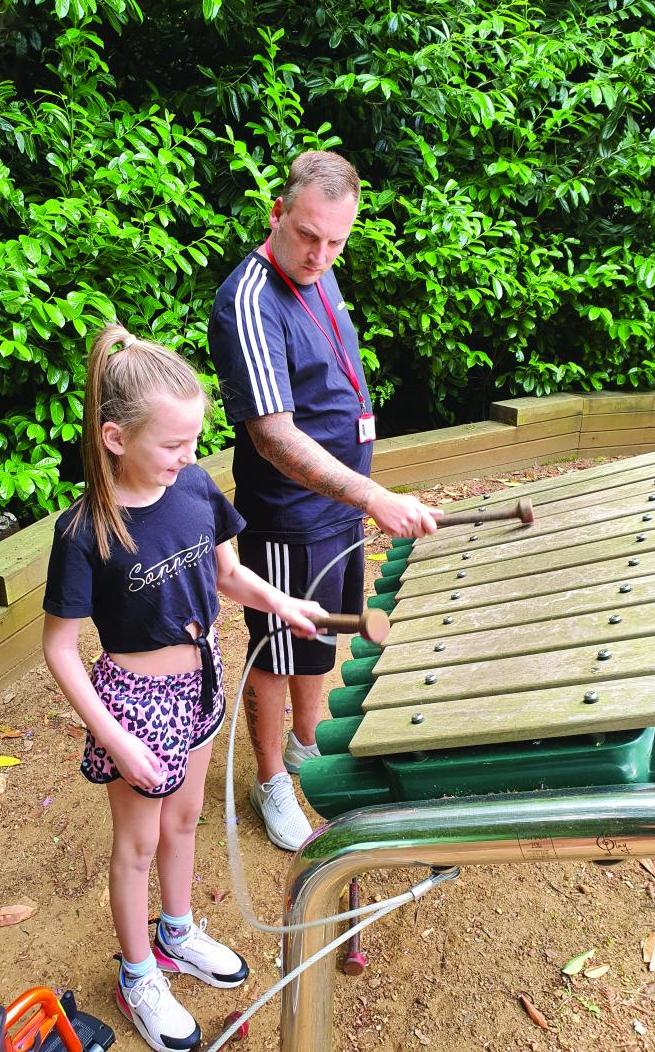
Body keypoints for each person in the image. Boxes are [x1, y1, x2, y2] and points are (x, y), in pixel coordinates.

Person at [41, 325, 323, 1052]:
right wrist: (113, 735)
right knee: (136, 843)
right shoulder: (85, 529)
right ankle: (138, 971)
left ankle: (175, 930)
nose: (189, 456)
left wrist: (279, 601)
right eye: (172, 444)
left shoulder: (194, 486)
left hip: (201, 683)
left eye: (194, 439)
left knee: (186, 819)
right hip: (133, 705)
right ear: (113, 436)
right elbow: (60, 647)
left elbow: (225, 572)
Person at [208, 150, 441, 852]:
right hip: (289, 513)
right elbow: (275, 438)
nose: (320, 253)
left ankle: (308, 745)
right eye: (308, 235)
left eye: (336, 240)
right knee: (277, 648)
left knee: (322, 636)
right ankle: (271, 778)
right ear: (277, 214)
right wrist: (373, 493)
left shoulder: (323, 271)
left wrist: (361, 493)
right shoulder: (248, 301)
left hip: (338, 508)